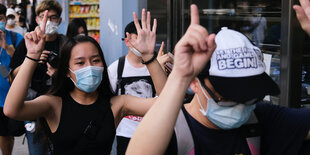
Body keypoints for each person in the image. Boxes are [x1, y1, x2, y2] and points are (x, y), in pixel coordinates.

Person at [126, 4, 310, 155]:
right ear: (195, 83)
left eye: (249, 97)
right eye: (226, 95)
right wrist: (180, 76)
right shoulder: (171, 129)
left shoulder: (261, 119)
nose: (239, 105)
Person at [4, 7, 162, 154]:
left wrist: (149, 56)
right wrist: (31, 56)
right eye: (80, 63)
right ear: (67, 71)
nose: (90, 67)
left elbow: (165, 104)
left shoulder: (117, 104)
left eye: (95, 60)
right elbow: (12, 109)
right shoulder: (54, 104)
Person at [8, 0, 67, 154]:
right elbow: (12, 75)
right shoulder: (28, 43)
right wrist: (31, 60)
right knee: (36, 151)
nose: (47, 21)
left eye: (53, 17)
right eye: (43, 17)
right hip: (34, 107)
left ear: (60, 20)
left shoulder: (67, 44)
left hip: (61, 106)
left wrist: (58, 74)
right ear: (37, 20)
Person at [108, 19, 161, 155]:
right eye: (139, 39)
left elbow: (165, 98)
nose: (143, 45)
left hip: (153, 134)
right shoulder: (116, 68)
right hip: (125, 134)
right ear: (128, 41)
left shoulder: (157, 67)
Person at [0, 4, 24, 155]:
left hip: (10, 96)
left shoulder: (16, 38)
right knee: (3, 134)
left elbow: (23, 63)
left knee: (8, 134)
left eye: (0, 18)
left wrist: (6, 46)